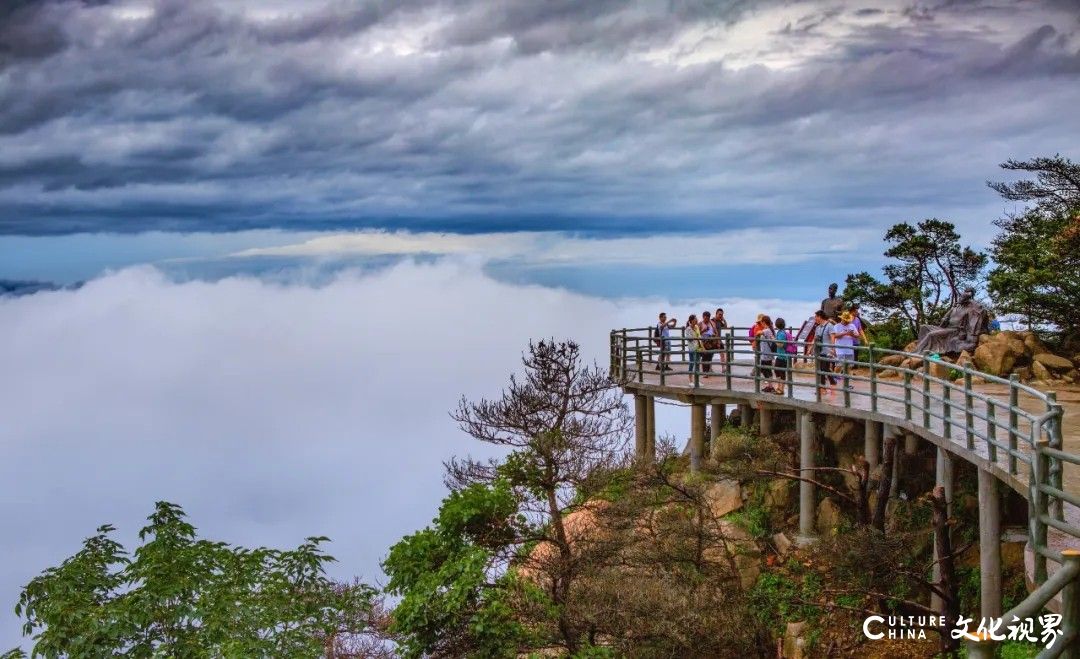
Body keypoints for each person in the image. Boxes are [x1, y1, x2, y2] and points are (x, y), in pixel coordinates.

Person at [831, 310, 862, 390]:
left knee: (848, 367)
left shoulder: (852, 326)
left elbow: (857, 335)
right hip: (840, 348)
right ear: (842, 319)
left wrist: (852, 334)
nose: (847, 322)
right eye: (846, 320)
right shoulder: (837, 326)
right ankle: (834, 378)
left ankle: (846, 384)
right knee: (839, 364)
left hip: (849, 348)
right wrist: (845, 333)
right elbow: (835, 336)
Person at [813, 310, 838, 395]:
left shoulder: (829, 326)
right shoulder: (818, 327)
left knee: (824, 369)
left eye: (816, 316)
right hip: (819, 351)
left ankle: (827, 386)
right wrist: (810, 349)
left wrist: (833, 349)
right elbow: (815, 338)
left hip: (827, 351)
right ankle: (826, 386)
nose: (815, 318)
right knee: (822, 369)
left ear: (820, 316)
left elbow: (832, 337)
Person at [773, 317, 796, 395]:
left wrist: (773, 340)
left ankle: (781, 388)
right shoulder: (781, 332)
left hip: (783, 356)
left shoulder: (781, 333)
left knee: (781, 372)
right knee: (777, 370)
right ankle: (779, 387)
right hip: (780, 355)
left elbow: (781, 345)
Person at [756, 315, 778, 393]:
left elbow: (758, 332)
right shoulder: (768, 330)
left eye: (761, 322)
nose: (760, 324)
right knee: (766, 370)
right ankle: (770, 386)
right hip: (766, 353)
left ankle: (771, 386)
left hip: (767, 354)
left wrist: (757, 333)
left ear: (764, 322)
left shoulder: (767, 330)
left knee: (765, 370)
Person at [684, 314, 703, 384]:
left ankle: (697, 381)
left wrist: (701, 346)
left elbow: (699, 337)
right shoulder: (688, 329)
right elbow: (689, 339)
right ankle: (690, 380)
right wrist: (696, 337)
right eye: (695, 319)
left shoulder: (697, 327)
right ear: (691, 321)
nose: (697, 320)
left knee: (697, 364)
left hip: (698, 348)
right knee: (692, 363)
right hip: (692, 349)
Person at [700, 310, 717, 375]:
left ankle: (708, 370)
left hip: (711, 342)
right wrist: (703, 330)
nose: (707, 319)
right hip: (703, 343)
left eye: (708, 318)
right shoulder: (700, 324)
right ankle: (704, 372)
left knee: (710, 356)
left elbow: (716, 332)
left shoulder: (712, 323)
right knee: (704, 357)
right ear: (703, 317)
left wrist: (714, 336)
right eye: (705, 318)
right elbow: (697, 334)